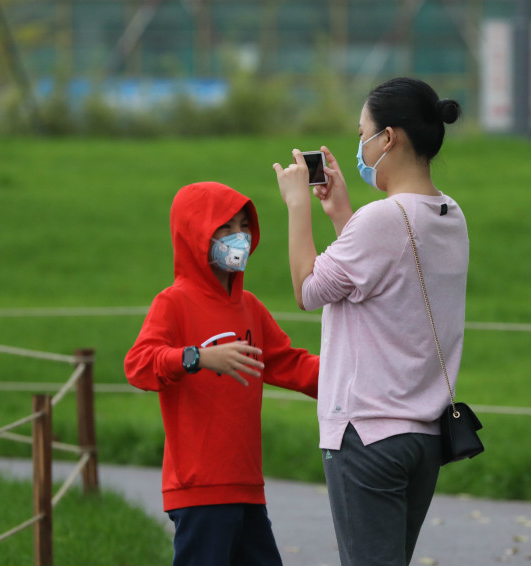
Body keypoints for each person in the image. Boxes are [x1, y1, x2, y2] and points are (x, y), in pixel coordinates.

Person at [272, 77, 468, 566]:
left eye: (363, 133)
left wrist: (298, 208)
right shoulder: (449, 214)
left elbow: (308, 290)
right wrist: (342, 215)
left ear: (389, 138)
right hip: (422, 435)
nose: (359, 146)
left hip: (367, 435)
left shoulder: (382, 219)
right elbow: (381, 277)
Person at [124, 181, 320, 566]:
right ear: (195, 234)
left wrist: (357, 373)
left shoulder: (250, 307)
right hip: (199, 490)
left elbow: (291, 364)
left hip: (247, 486)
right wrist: (196, 358)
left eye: (244, 226)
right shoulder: (173, 302)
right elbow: (138, 365)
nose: (239, 238)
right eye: (225, 229)